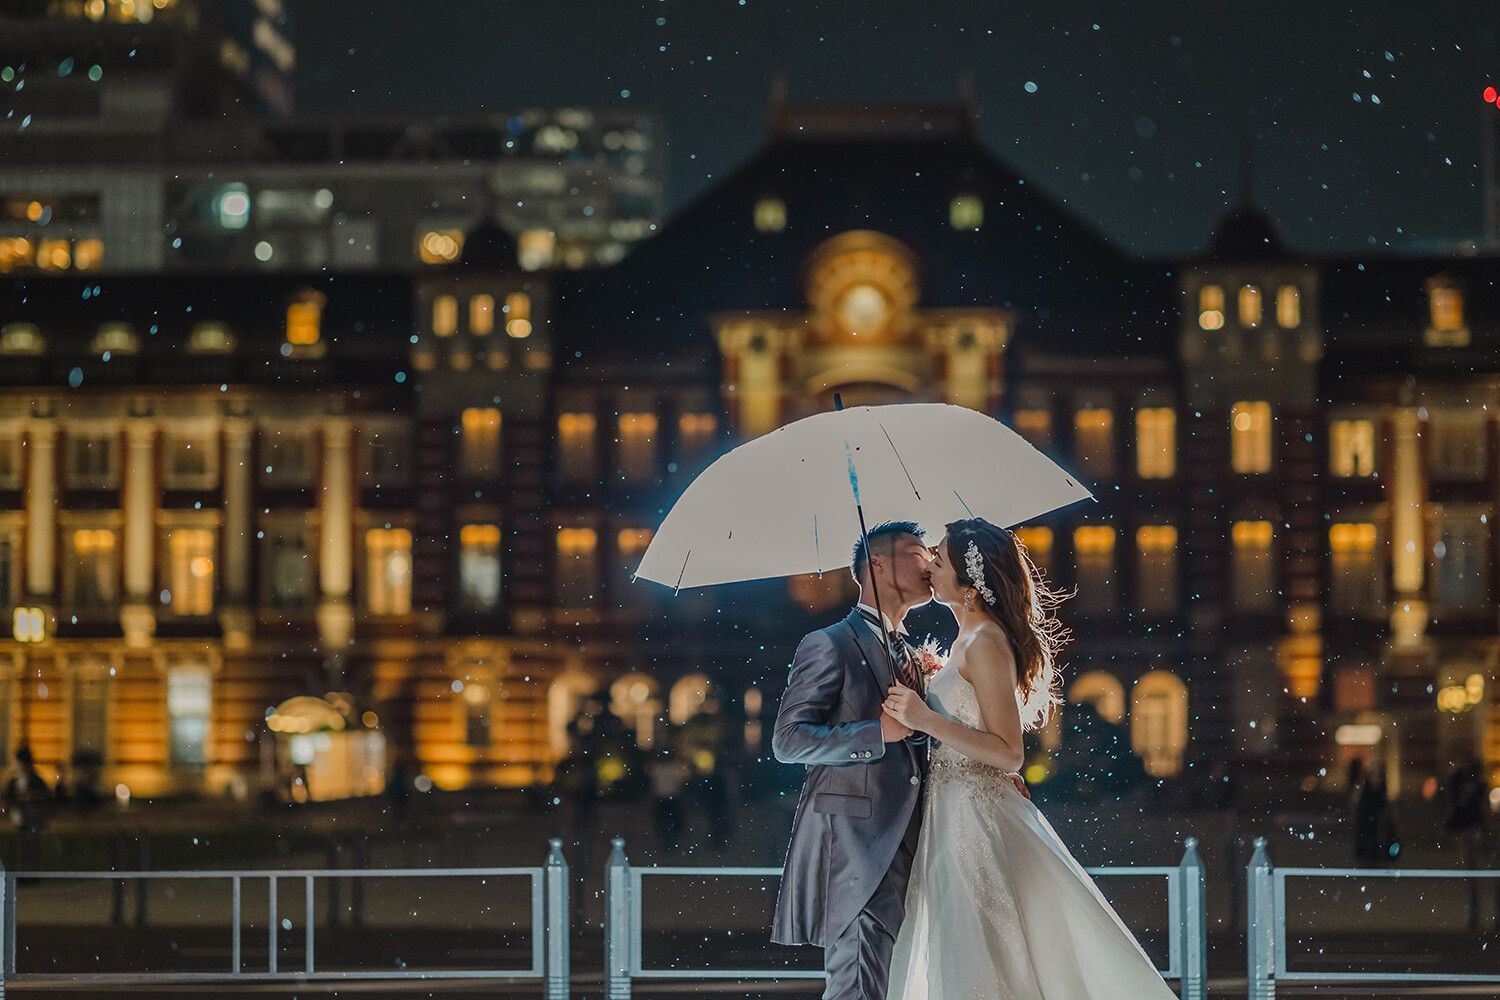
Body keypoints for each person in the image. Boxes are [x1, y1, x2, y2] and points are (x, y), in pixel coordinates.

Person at [881, 518, 1178, 999]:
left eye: (939, 561)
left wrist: (925, 719)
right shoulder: (966, 641)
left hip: (974, 816)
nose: (930, 569)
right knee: (967, 940)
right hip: (952, 807)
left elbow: (1009, 751)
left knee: (982, 941)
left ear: (970, 587)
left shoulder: (986, 643)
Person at [771, 520, 1027, 1000]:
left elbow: (939, 734)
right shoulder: (829, 644)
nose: (930, 560)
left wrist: (986, 771)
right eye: (917, 551)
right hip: (857, 845)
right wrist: (874, 734)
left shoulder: (916, 650)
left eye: (935, 554)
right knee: (859, 983)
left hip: (925, 842)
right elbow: (788, 740)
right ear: (878, 565)